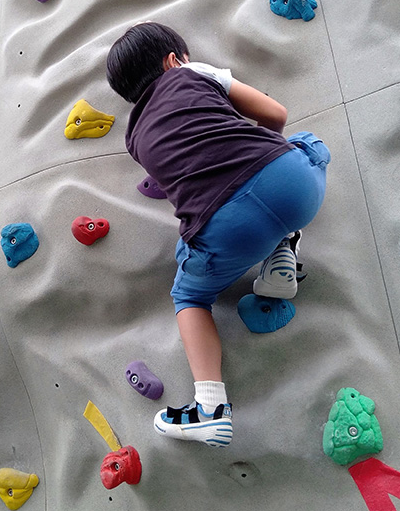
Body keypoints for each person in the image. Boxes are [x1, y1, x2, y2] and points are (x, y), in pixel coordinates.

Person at [106, 22, 329, 447]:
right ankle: (283, 244)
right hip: (293, 187)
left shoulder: (134, 140)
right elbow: (276, 115)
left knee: (188, 296)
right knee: (307, 143)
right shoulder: (193, 72)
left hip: (226, 228)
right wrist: (260, 155)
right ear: (174, 61)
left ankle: (209, 407)